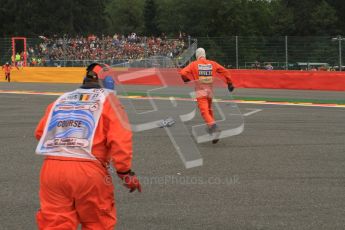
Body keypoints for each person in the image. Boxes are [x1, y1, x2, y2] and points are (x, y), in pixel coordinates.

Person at [34, 63, 141, 229]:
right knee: (97, 223)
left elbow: (40, 133)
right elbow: (121, 140)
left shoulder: (62, 99)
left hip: (52, 170)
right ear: (108, 82)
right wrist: (125, 173)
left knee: (54, 223)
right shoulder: (109, 102)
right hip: (88, 171)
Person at [179, 48, 234, 144]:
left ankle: (213, 127)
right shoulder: (212, 63)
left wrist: (186, 79)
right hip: (209, 91)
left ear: (197, 55)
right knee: (209, 110)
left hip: (200, 91)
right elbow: (225, 71)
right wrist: (229, 83)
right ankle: (212, 129)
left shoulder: (194, 64)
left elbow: (183, 73)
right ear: (204, 54)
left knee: (204, 112)